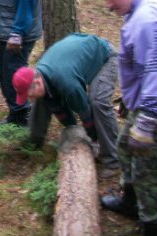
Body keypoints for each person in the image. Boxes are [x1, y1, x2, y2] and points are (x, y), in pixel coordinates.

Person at [96, 0, 157, 236]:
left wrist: (147, 120)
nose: (110, 5)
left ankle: (153, 225)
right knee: (125, 146)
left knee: (148, 165)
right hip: (145, 101)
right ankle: (131, 201)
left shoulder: (148, 19)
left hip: (156, 108)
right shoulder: (138, 11)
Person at [12, 33, 120, 179]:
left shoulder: (66, 83)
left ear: (37, 82)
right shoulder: (42, 75)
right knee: (41, 99)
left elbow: (85, 112)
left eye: (28, 95)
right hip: (79, 57)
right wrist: (72, 129)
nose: (29, 99)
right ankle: (34, 142)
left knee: (98, 102)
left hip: (106, 57)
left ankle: (112, 160)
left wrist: (92, 140)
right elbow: (57, 107)